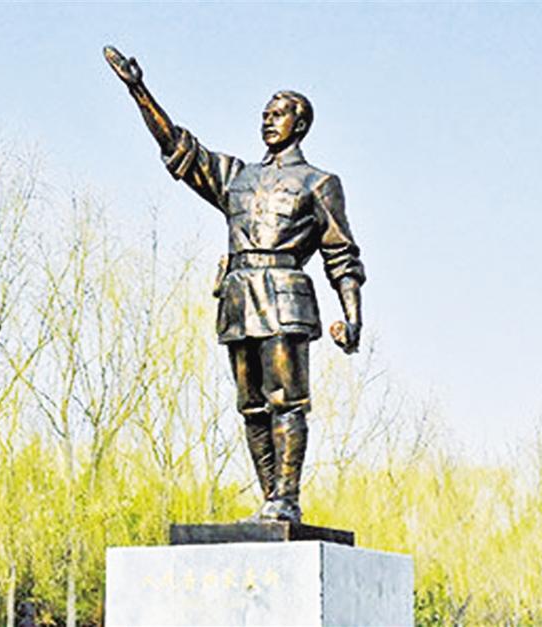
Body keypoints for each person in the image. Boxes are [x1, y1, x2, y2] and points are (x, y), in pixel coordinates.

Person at [104, 47, 366, 523]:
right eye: (265, 113)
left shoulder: (319, 182)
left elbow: (341, 252)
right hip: (238, 297)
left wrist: (353, 317)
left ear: (300, 124)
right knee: (252, 407)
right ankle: (271, 501)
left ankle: (286, 498)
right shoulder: (238, 178)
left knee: (286, 401)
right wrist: (138, 90)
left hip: (285, 296)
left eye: (278, 114)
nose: (268, 120)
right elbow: (178, 148)